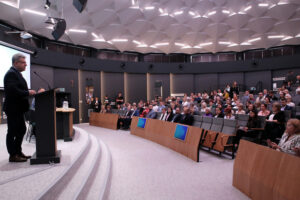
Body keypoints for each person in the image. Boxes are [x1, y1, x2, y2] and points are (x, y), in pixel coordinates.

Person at [3, 53, 36, 162]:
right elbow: (13, 90)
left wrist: (28, 92)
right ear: (16, 63)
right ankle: (13, 155)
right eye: (23, 62)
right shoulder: (11, 74)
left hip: (18, 108)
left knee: (21, 130)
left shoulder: (17, 73)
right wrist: (28, 92)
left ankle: (18, 152)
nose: (26, 65)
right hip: (13, 108)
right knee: (12, 131)